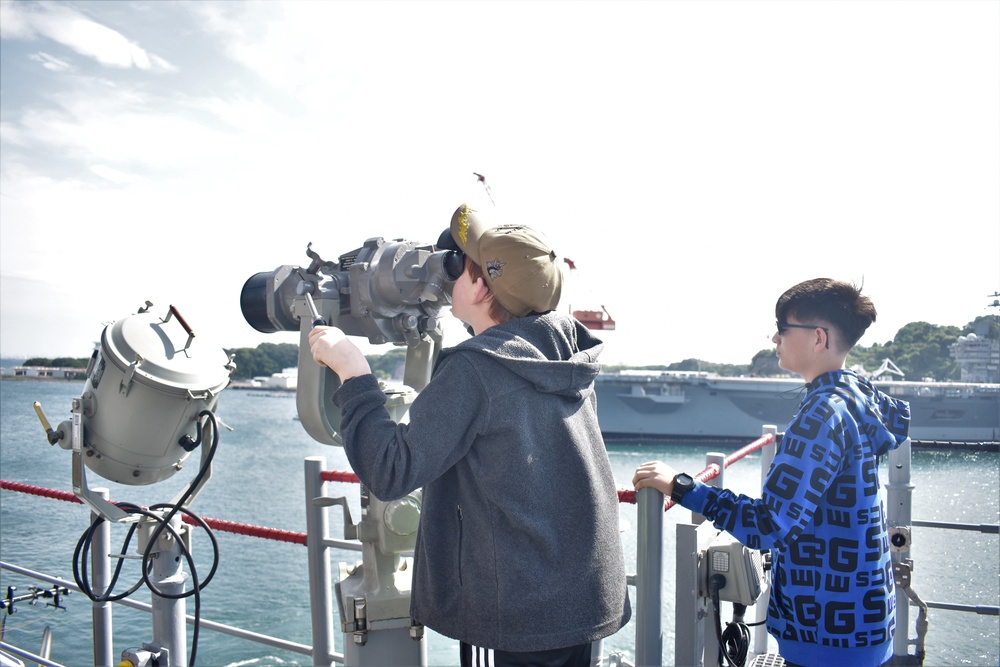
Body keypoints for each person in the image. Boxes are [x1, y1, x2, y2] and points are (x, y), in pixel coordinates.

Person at [310, 203, 631, 666]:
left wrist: (353, 373)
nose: (449, 273)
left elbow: (391, 469)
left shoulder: (476, 370)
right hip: (580, 597)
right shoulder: (566, 356)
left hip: (519, 614)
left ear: (480, 286)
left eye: (458, 265)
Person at [633, 278, 910, 667]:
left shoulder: (821, 413)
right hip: (864, 618)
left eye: (783, 328)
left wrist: (683, 487)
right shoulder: (855, 397)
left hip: (826, 635)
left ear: (818, 338)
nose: (775, 338)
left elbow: (767, 524)